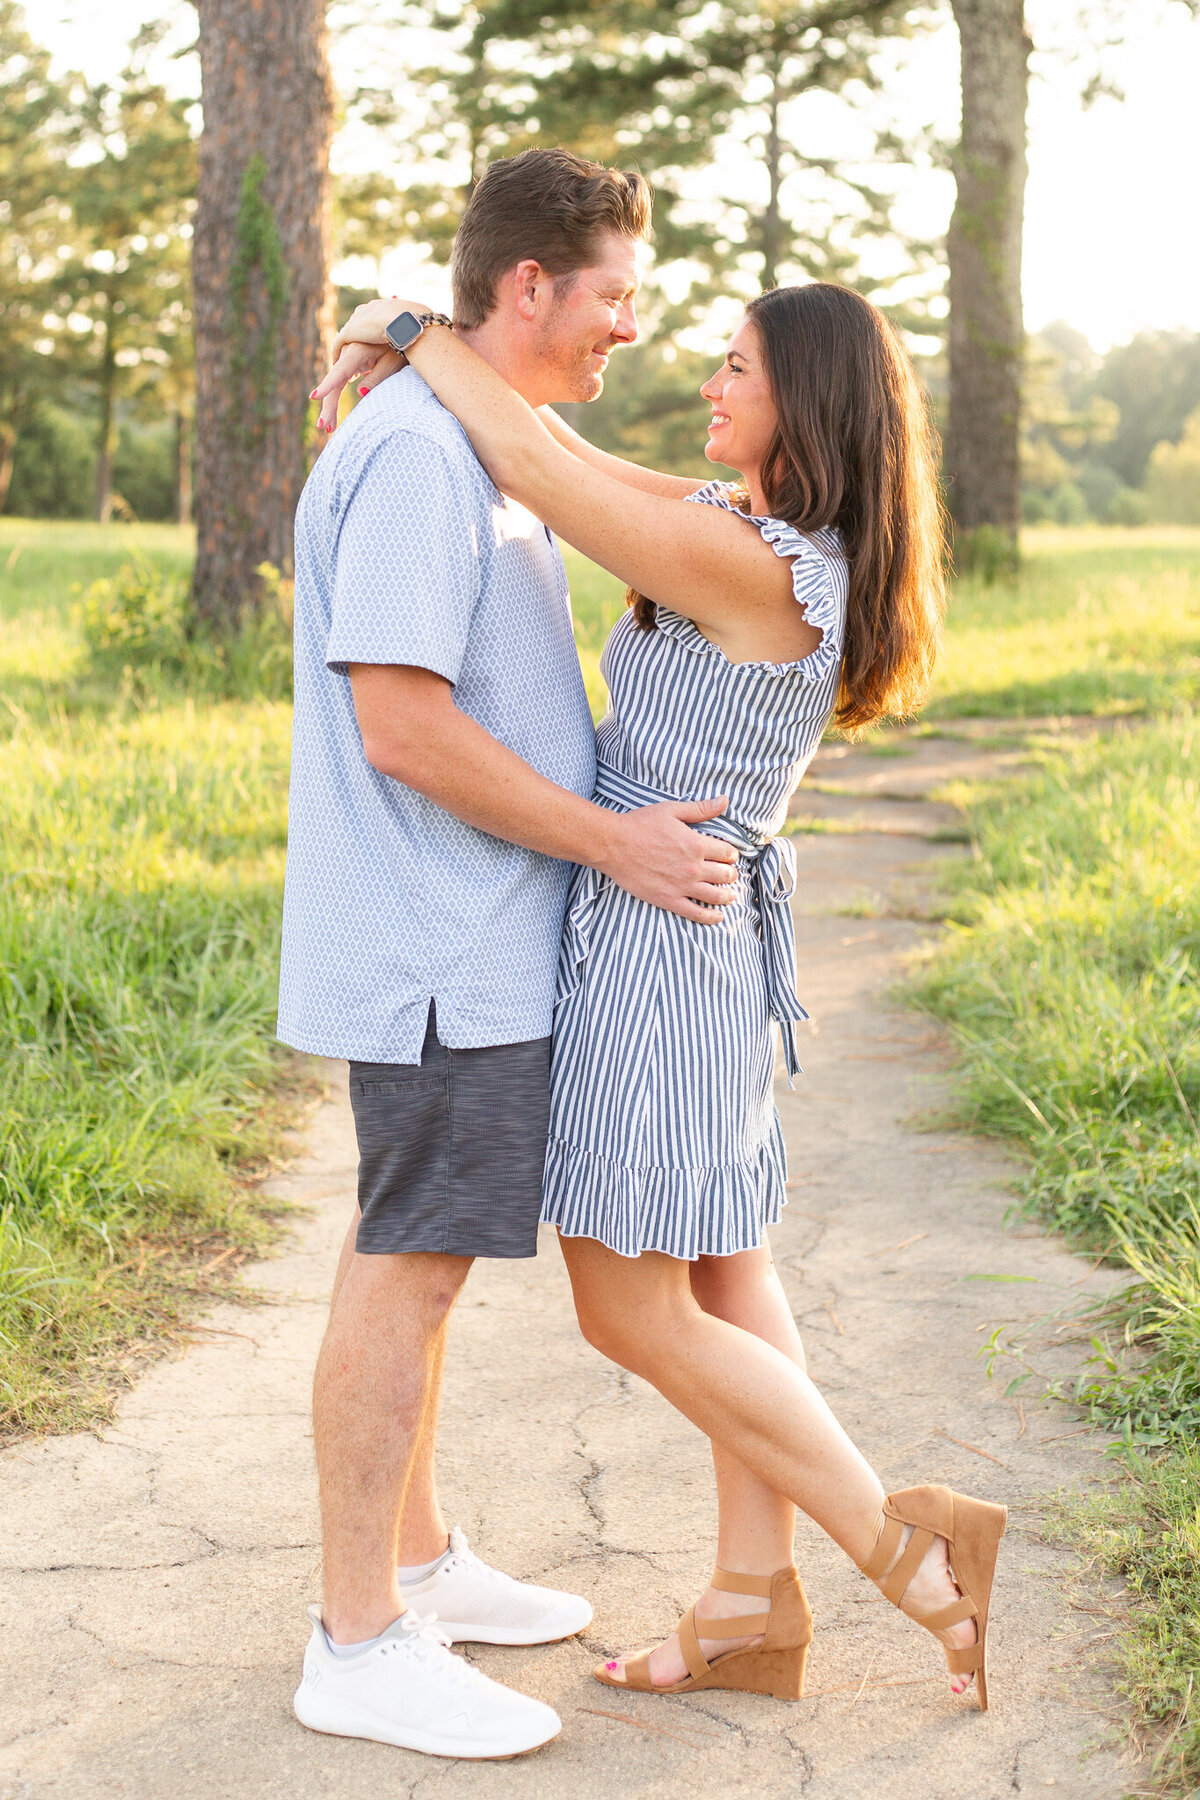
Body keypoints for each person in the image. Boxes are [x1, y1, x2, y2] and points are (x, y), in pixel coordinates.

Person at [313, 276, 1008, 1712]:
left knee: (632, 1310)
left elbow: (541, 465)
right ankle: (750, 1605)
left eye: (736, 364)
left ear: (804, 398)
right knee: (726, 1272)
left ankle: (906, 1548)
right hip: (690, 928)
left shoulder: (762, 573)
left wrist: (404, 324)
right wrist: (418, 340)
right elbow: (601, 470)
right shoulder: (754, 535)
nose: (706, 375)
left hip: (655, 934)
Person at [279, 148, 744, 1763]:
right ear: (530, 286)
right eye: (614, 292)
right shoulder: (420, 460)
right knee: (406, 1271)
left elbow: (589, 480)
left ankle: (413, 1563)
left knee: (426, 1259)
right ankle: (356, 1639)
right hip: (438, 945)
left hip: (463, 942)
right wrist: (621, 839)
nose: (634, 325)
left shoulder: (482, 440)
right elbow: (400, 726)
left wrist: (409, 324)